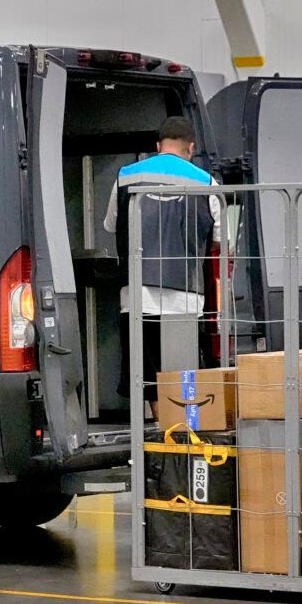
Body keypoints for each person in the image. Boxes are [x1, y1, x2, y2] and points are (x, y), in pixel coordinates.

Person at [104, 116, 222, 413]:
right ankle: (185, 429)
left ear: (158, 146)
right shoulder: (206, 182)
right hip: (186, 296)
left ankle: (163, 430)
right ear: (190, 148)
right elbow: (222, 239)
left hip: (138, 296)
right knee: (185, 374)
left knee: (148, 376)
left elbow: (111, 225)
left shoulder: (126, 176)